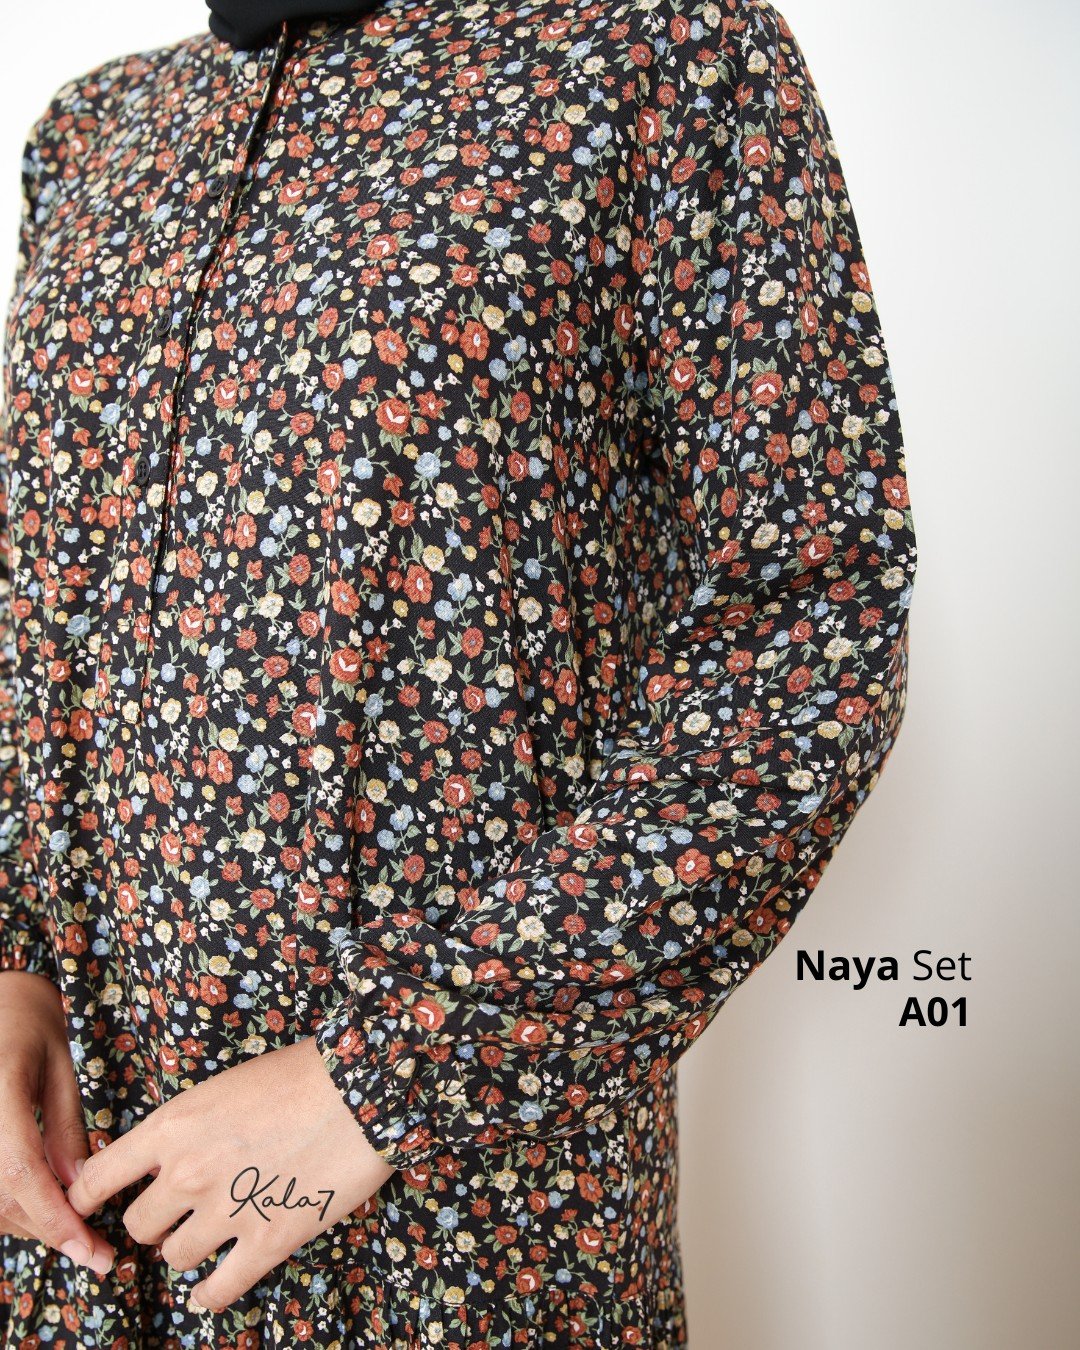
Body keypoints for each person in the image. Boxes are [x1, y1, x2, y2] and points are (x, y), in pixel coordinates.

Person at [0, 0, 918, 1344]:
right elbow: (37, 598)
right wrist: (13, 962)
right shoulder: (94, 132)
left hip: (462, 1215)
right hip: (84, 1198)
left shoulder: (658, 55)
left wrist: (388, 1072)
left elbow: (809, 622)